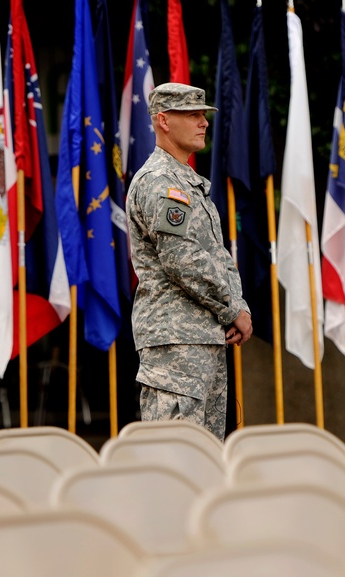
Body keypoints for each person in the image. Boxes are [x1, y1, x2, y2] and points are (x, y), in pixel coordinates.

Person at [126, 82, 252, 442]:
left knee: (206, 457)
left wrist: (237, 305)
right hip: (174, 345)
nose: (203, 122)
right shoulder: (160, 182)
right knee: (174, 459)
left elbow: (217, 254)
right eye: (193, 115)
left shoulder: (188, 182)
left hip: (202, 339)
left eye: (204, 114)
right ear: (163, 121)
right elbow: (183, 260)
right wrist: (233, 310)